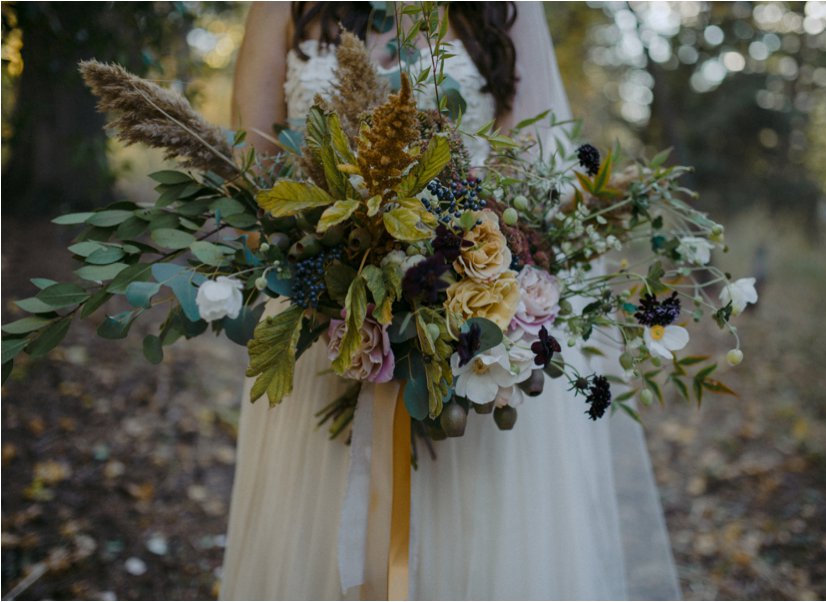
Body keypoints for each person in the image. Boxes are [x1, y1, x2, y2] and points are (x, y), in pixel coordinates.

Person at [221, 3, 681, 599]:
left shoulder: (501, 10)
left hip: (474, 333)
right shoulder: (284, 7)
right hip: (322, 328)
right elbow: (251, 176)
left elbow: (531, 173)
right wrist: (345, 266)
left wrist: (454, 290)